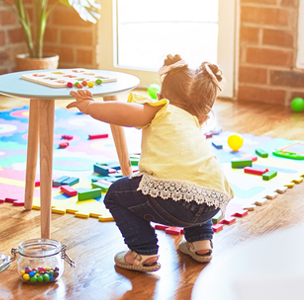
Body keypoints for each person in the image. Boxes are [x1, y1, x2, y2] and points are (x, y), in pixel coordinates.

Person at [66, 54, 233, 272]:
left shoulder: (162, 108)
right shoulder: (193, 121)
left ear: (163, 95)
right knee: (195, 183)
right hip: (213, 200)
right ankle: (201, 243)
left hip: (175, 201)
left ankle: (144, 251)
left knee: (116, 194)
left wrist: (89, 106)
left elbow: (124, 114)